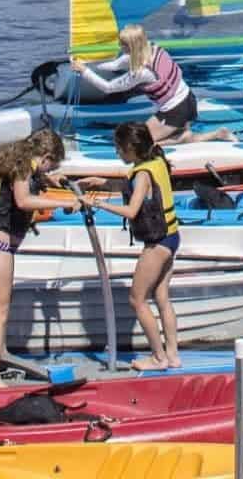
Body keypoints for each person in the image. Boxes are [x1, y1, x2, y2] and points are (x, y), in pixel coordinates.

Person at [0, 138, 82, 388]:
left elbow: (30, 186)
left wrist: (52, 181)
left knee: (2, 311)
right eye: (50, 165)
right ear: (44, 156)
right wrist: (63, 202)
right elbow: (23, 200)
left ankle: (1, 354)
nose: (48, 170)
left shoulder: (20, 164)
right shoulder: (22, 167)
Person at [85, 122, 184, 371]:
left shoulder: (141, 174)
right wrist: (103, 183)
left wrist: (97, 204)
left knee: (137, 300)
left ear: (130, 147)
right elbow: (138, 186)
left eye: (118, 148)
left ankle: (158, 358)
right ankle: (172, 355)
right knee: (161, 297)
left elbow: (131, 210)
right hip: (172, 237)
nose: (117, 152)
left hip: (157, 243)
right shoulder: (157, 161)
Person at [70, 24, 235, 145]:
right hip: (188, 99)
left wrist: (84, 72)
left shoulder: (141, 72)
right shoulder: (152, 48)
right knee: (148, 136)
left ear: (132, 46)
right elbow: (115, 65)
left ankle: (186, 138)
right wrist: (87, 64)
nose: (119, 47)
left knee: (141, 143)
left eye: (123, 45)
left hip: (177, 111)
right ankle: (211, 134)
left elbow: (108, 87)